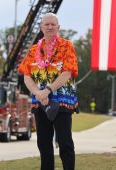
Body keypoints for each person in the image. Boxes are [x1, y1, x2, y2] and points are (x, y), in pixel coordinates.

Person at [18, 12, 78, 170]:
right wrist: (38, 93)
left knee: (65, 142)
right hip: (40, 103)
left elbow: (68, 72)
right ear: (41, 27)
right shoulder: (32, 51)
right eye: (47, 24)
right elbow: (26, 76)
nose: (50, 27)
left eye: (53, 24)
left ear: (58, 27)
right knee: (43, 144)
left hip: (62, 101)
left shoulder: (67, 46)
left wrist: (48, 90)